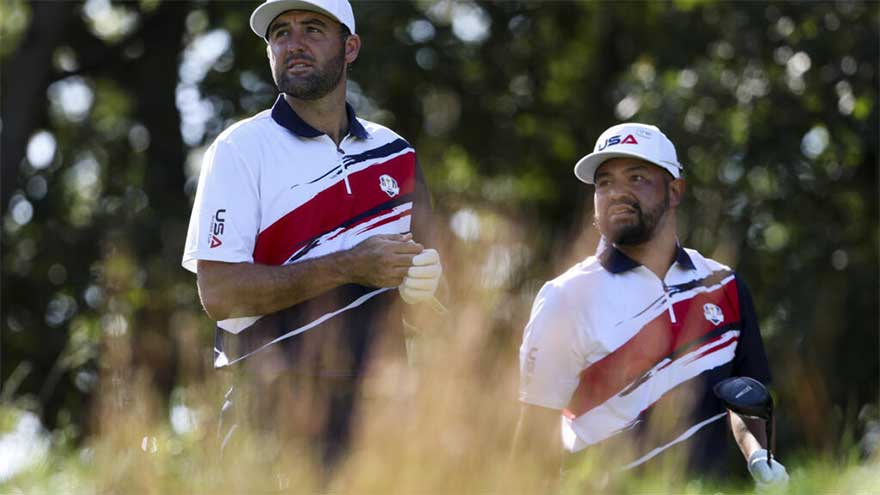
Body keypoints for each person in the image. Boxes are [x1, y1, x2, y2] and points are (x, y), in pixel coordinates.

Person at [181, 0, 442, 472]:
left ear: (350, 47)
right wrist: (348, 265)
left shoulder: (396, 154)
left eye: (313, 29)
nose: (294, 44)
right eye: (280, 33)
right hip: (270, 417)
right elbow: (219, 293)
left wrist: (428, 293)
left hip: (382, 419)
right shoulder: (239, 150)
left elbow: (438, 310)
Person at [512, 123, 788, 489]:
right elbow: (533, 439)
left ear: (675, 191)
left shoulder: (724, 285)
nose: (616, 193)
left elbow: (744, 398)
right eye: (604, 183)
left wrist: (757, 455)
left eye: (636, 178)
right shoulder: (565, 298)